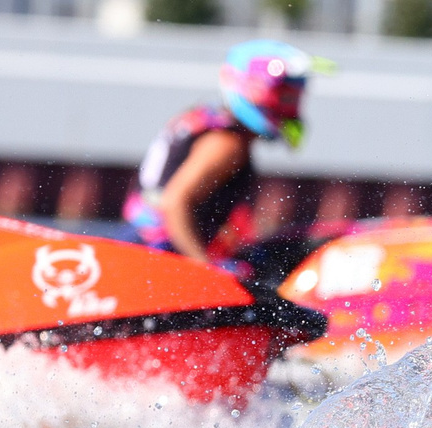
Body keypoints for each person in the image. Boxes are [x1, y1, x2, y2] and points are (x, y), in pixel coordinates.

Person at [124, 39, 311, 267]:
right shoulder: (227, 143)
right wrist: (205, 271)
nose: (290, 105)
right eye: (284, 96)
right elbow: (174, 203)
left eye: (294, 96)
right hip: (155, 254)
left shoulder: (211, 119)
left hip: (142, 244)